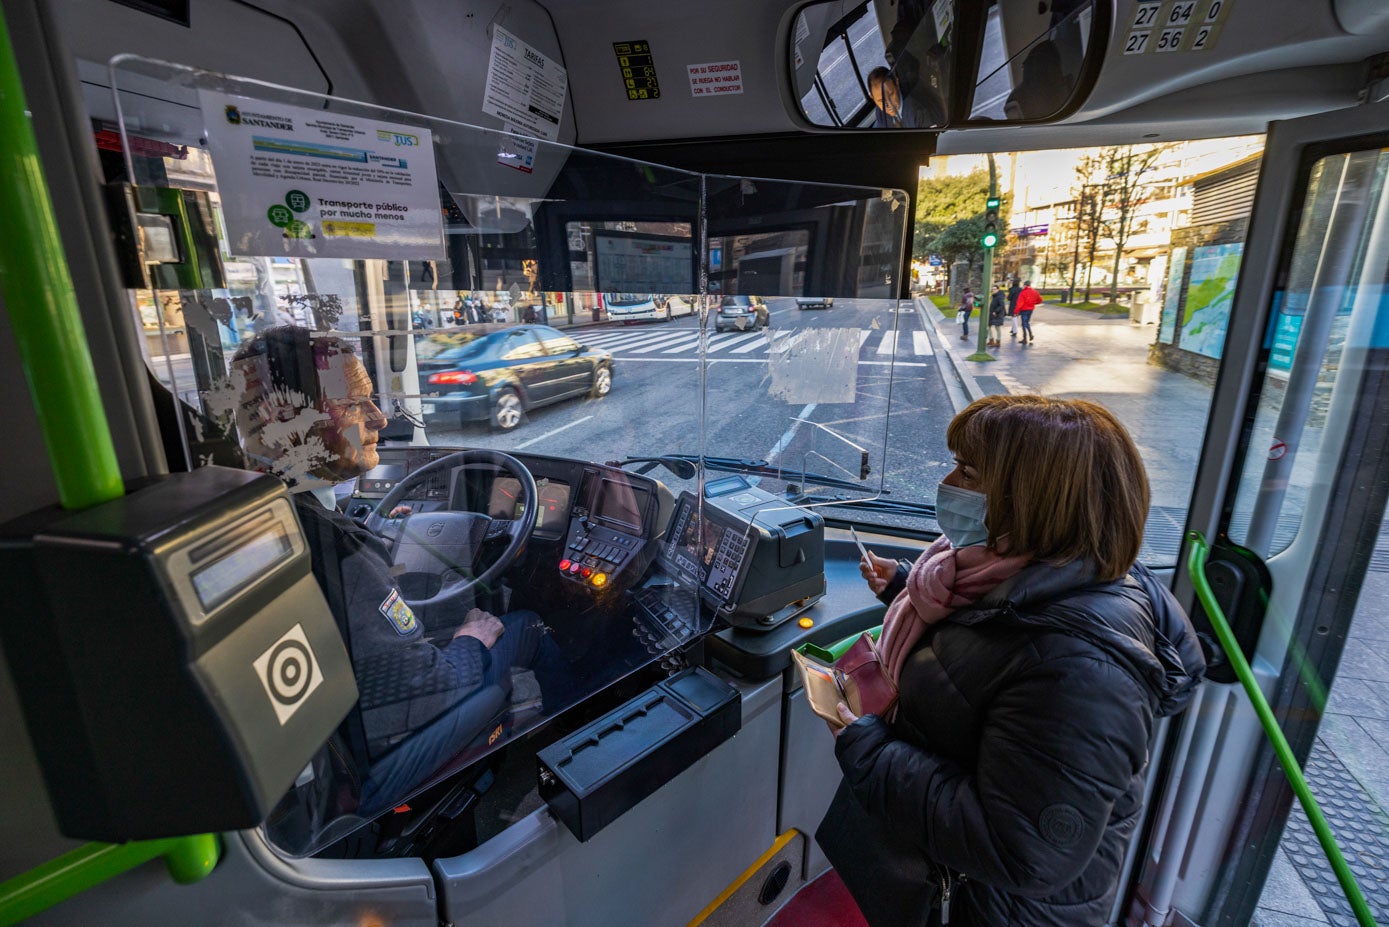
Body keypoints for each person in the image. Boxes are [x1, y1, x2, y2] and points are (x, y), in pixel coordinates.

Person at [817, 395, 1205, 927]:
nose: (948, 481)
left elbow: (1021, 848)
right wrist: (907, 585)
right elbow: (989, 642)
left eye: (969, 471)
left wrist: (867, 748)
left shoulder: (1083, 670)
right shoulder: (1008, 572)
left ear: (1034, 501)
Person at [230, 325, 573, 815]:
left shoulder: (264, 512)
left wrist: (369, 531)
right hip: (366, 761)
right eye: (355, 404)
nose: (380, 417)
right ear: (290, 423)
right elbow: (429, 685)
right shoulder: (338, 552)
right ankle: (576, 748)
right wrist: (472, 637)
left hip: (323, 736)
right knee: (523, 628)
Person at [1016, 279, 1042, 344]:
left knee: (1024, 324)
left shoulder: (1023, 293)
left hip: (1024, 309)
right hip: (1030, 309)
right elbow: (1040, 300)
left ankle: (1025, 338)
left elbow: (1020, 303)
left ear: (1025, 285)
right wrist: (1033, 303)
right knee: (1027, 322)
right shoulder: (1035, 292)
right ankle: (1030, 334)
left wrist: (1016, 311)